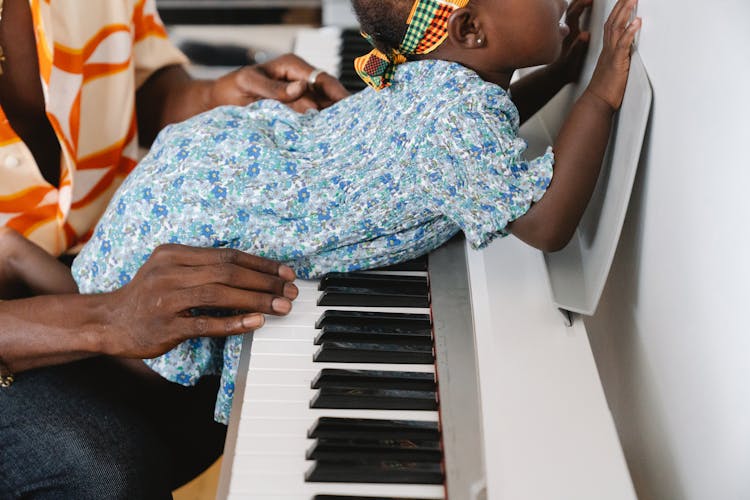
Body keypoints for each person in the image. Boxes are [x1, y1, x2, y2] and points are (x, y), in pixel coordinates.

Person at [70, 0, 642, 426]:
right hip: (223, 206)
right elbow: (546, 225)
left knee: (100, 279)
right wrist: (600, 93)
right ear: (470, 29)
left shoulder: (444, 84)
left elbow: (479, 146)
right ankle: (46, 288)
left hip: (233, 165)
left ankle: (38, 270)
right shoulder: (455, 119)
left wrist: (563, 74)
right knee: (155, 348)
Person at [0, 0, 348, 498]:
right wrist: (108, 319)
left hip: (92, 258)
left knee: (266, 338)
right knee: (98, 473)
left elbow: (135, 90)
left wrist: (217, 96)